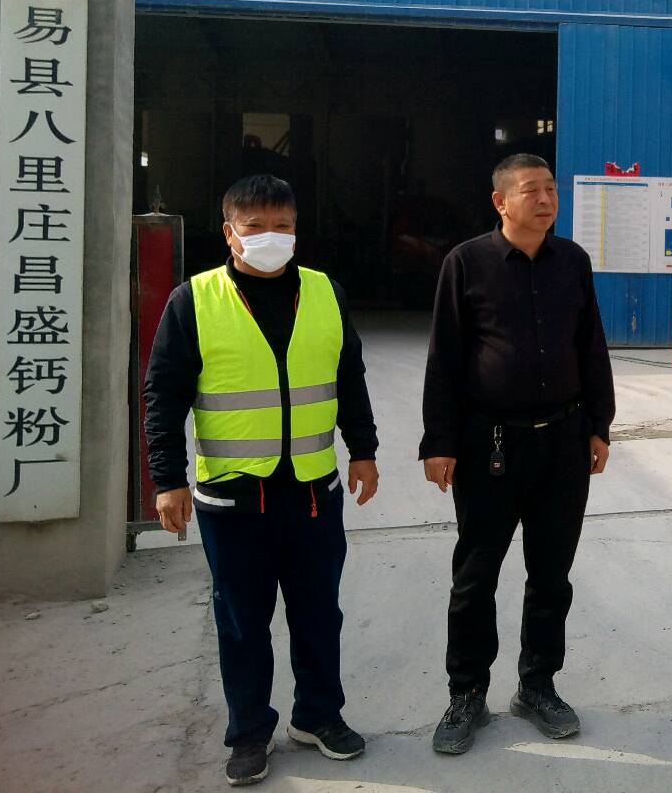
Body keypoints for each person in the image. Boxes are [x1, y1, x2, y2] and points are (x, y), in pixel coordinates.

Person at [145, 175, 381, 787]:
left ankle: (318, 717)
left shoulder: (325, 292)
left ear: (296, 230)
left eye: (282, 226)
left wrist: (364, 450)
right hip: (232, 497)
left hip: (312, 491)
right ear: (229, 233)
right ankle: (249, 732)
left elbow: (349, 375)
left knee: (318, 614)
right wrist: (167, 478)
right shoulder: (195, 300)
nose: (270, 237)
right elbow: (163, 395)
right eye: (255, 227)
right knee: (242, 622)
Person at [420, 153, 615, 755]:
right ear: (500, 201)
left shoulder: (573, 261)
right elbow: (445, 356)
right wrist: (439, 440)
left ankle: (538, 687)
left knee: (551, 575)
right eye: (532, 190)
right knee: (475, 577)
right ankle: (466, 694)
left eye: (551, 188)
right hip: (489, 445)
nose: (546, 199)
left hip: (563, 441)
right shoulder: (466, 263)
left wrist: (599, 425)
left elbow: (591, 344)